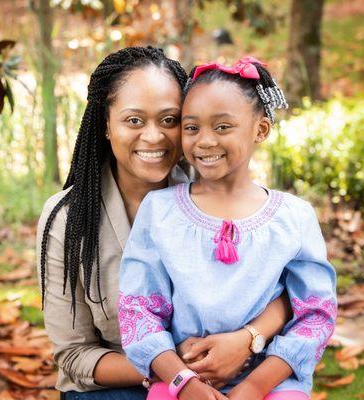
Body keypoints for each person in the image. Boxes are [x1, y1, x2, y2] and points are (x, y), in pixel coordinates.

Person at [37, 47, 293, 400]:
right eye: (134, 120)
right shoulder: (67, 218)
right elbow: (74, 354)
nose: (154, 136)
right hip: (117, 384)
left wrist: (248, 338)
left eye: (169, 120)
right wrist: (176, 373)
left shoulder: (218, 194)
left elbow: (286, 290)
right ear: (106, 125)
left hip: (221, 378)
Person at [118, 57, 337, 400]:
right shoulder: (160, 211)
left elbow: (315, 314)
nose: (204, 141)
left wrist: (253, 387)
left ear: (260, 129)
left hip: (271, 384)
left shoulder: (294, 218)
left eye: (222, 127)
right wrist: (182, 382)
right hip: (181, 379)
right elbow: (138, 309)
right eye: (191, 128)